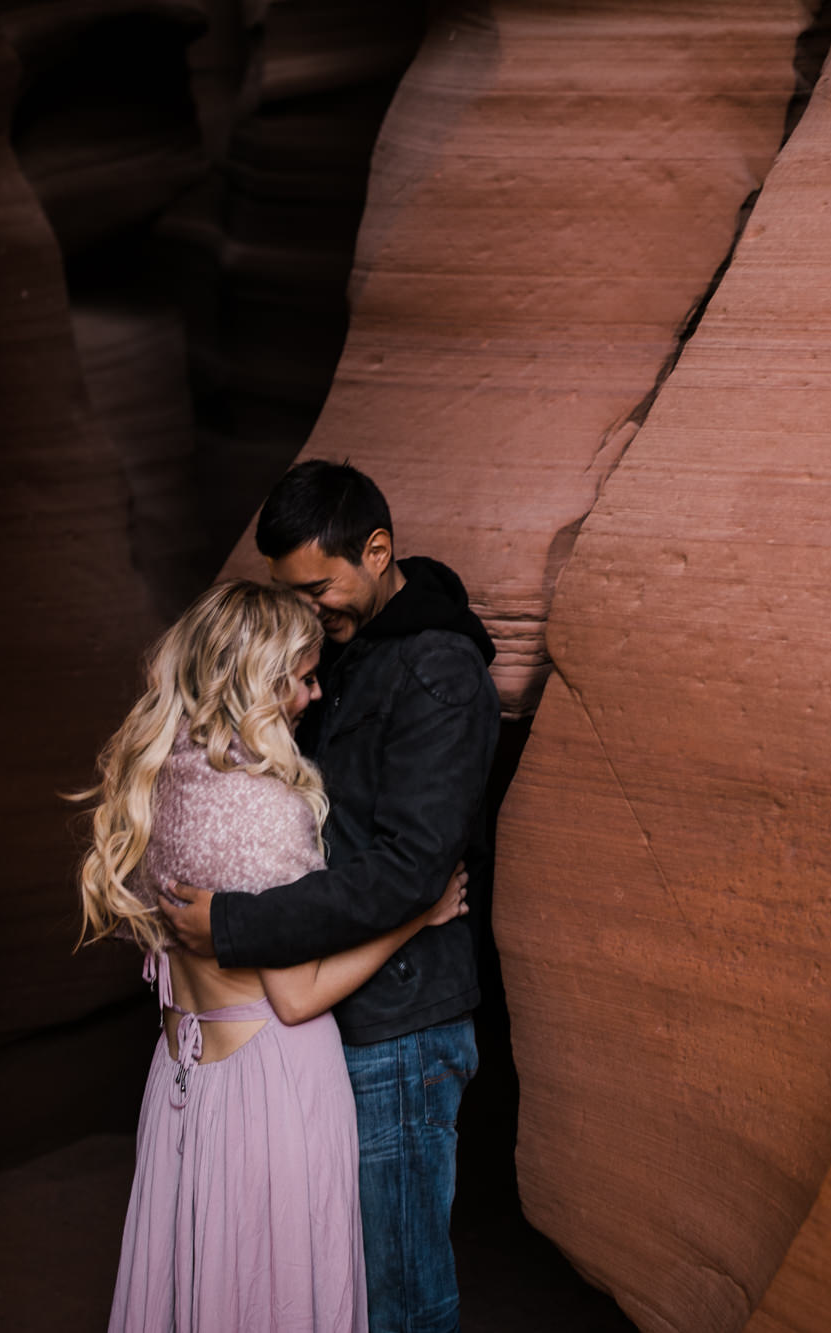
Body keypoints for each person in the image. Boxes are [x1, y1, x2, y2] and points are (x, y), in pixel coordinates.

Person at [76, 579, 470, 1333]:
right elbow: (295, 996)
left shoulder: (153, 780)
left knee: (201, 1286)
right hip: (271, 1088)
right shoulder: (265, 808)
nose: (314, 694)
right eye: (301, 676)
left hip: (183, 1082)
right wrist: (419, 914)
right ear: (256, 679)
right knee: (273, 1294)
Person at [161, 461, 500, 1333]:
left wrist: (233, 924)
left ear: (377, 550)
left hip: (402, 1027)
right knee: (335, 1287)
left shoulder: (439, 672)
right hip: (329, 1013)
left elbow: (409, 868)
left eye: (318, 586)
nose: (308, 609)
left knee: (398, 1294)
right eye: (291, 592)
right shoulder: (342, 653)